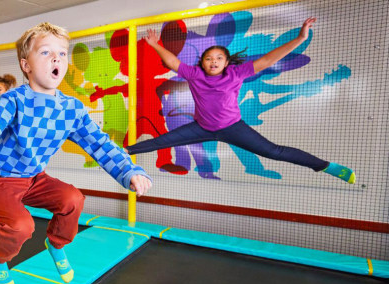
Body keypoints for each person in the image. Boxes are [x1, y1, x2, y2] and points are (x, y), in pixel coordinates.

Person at [0, 23, 153, 284]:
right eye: (45, 52)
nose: (56, 58)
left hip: (32, 178)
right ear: (26, 65)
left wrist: (129, 170)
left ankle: (55, 244)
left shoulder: (71, 108)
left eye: (62, 53)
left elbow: (98, 143)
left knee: (73, 199)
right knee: (22, 226)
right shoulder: (12, 101)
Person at [127, 18, 355, 184]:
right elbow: (172, 63)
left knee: (274, 151)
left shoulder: (236, 73)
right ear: (203, 63)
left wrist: (300, 38)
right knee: (161, 141)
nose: (213, 62)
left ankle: (326, 166)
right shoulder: (195, 74)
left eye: (218, 58)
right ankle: (122, 151)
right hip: (201, 128)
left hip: (234, 128)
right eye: (208, 59)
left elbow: (267, 60)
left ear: (226, 63)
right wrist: (155, 45)